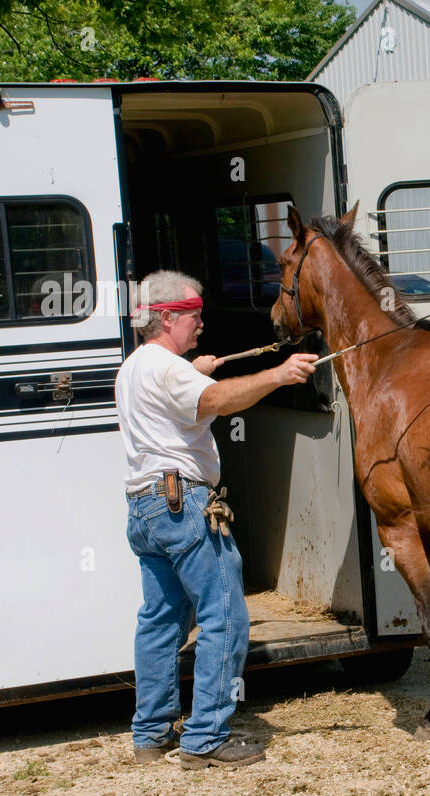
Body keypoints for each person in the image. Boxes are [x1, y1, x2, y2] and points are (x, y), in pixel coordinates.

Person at [114, 270, 317, 768]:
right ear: (165, 318)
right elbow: (218, 401)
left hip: (145, 507)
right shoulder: (170, 370)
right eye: (194, 315)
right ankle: (205, 737)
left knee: (160, 622)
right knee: (224, 615)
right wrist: (279, 374)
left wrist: (193, 368)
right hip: (182, 503)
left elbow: (182, 393)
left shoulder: (136, 366)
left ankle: (151, 732)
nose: (202, 322)